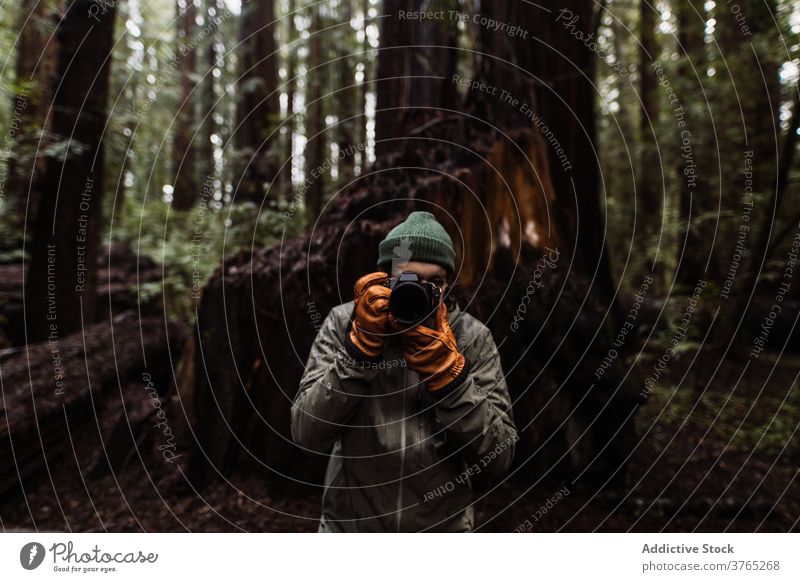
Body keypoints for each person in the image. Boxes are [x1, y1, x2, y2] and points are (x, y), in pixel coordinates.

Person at [291, 211, 517, 532]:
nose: (422, 292)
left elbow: (499, 459)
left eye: (434, 282)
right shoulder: (345, 324)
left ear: (448, 284)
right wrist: (359, 353)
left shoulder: (471, 337)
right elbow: (305, 433)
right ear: (385, 280)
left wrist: (451, 381)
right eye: (409, 280)